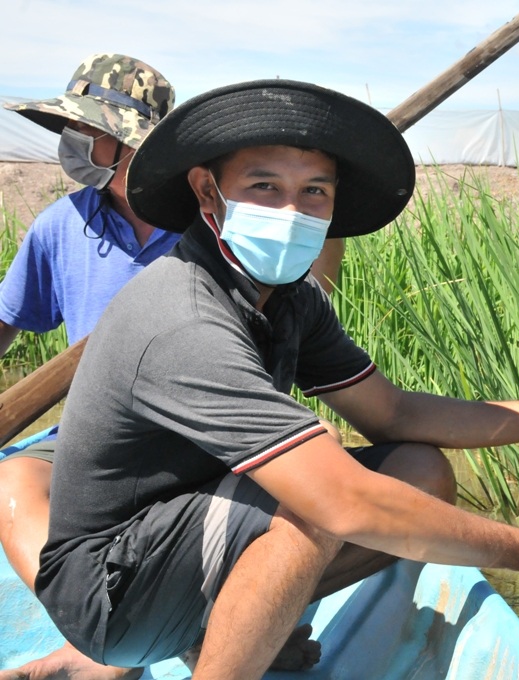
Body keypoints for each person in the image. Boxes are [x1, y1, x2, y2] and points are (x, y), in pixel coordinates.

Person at [32, 78, 519, 679]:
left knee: (421, 471)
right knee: (314, 496)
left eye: (314, 194)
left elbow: (394, 414)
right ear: (206, 191)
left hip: (186, 540)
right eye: (265, 187)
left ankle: (232, 628)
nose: (293, 212)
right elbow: (344, 502)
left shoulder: (282, 299)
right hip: (107, 591)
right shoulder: (182, 318)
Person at [0, 57, 343, 680]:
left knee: (323, 499)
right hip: (105, 440)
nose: (74, 147)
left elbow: (304, 296)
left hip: (221, 433)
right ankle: (101, 637)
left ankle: (206, 619)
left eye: (90, 133)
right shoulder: (60, 225)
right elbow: (8, 321)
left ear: (134, 144)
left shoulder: (222, 226)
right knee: (11, 483)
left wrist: (317, 214)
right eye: (71, 132)